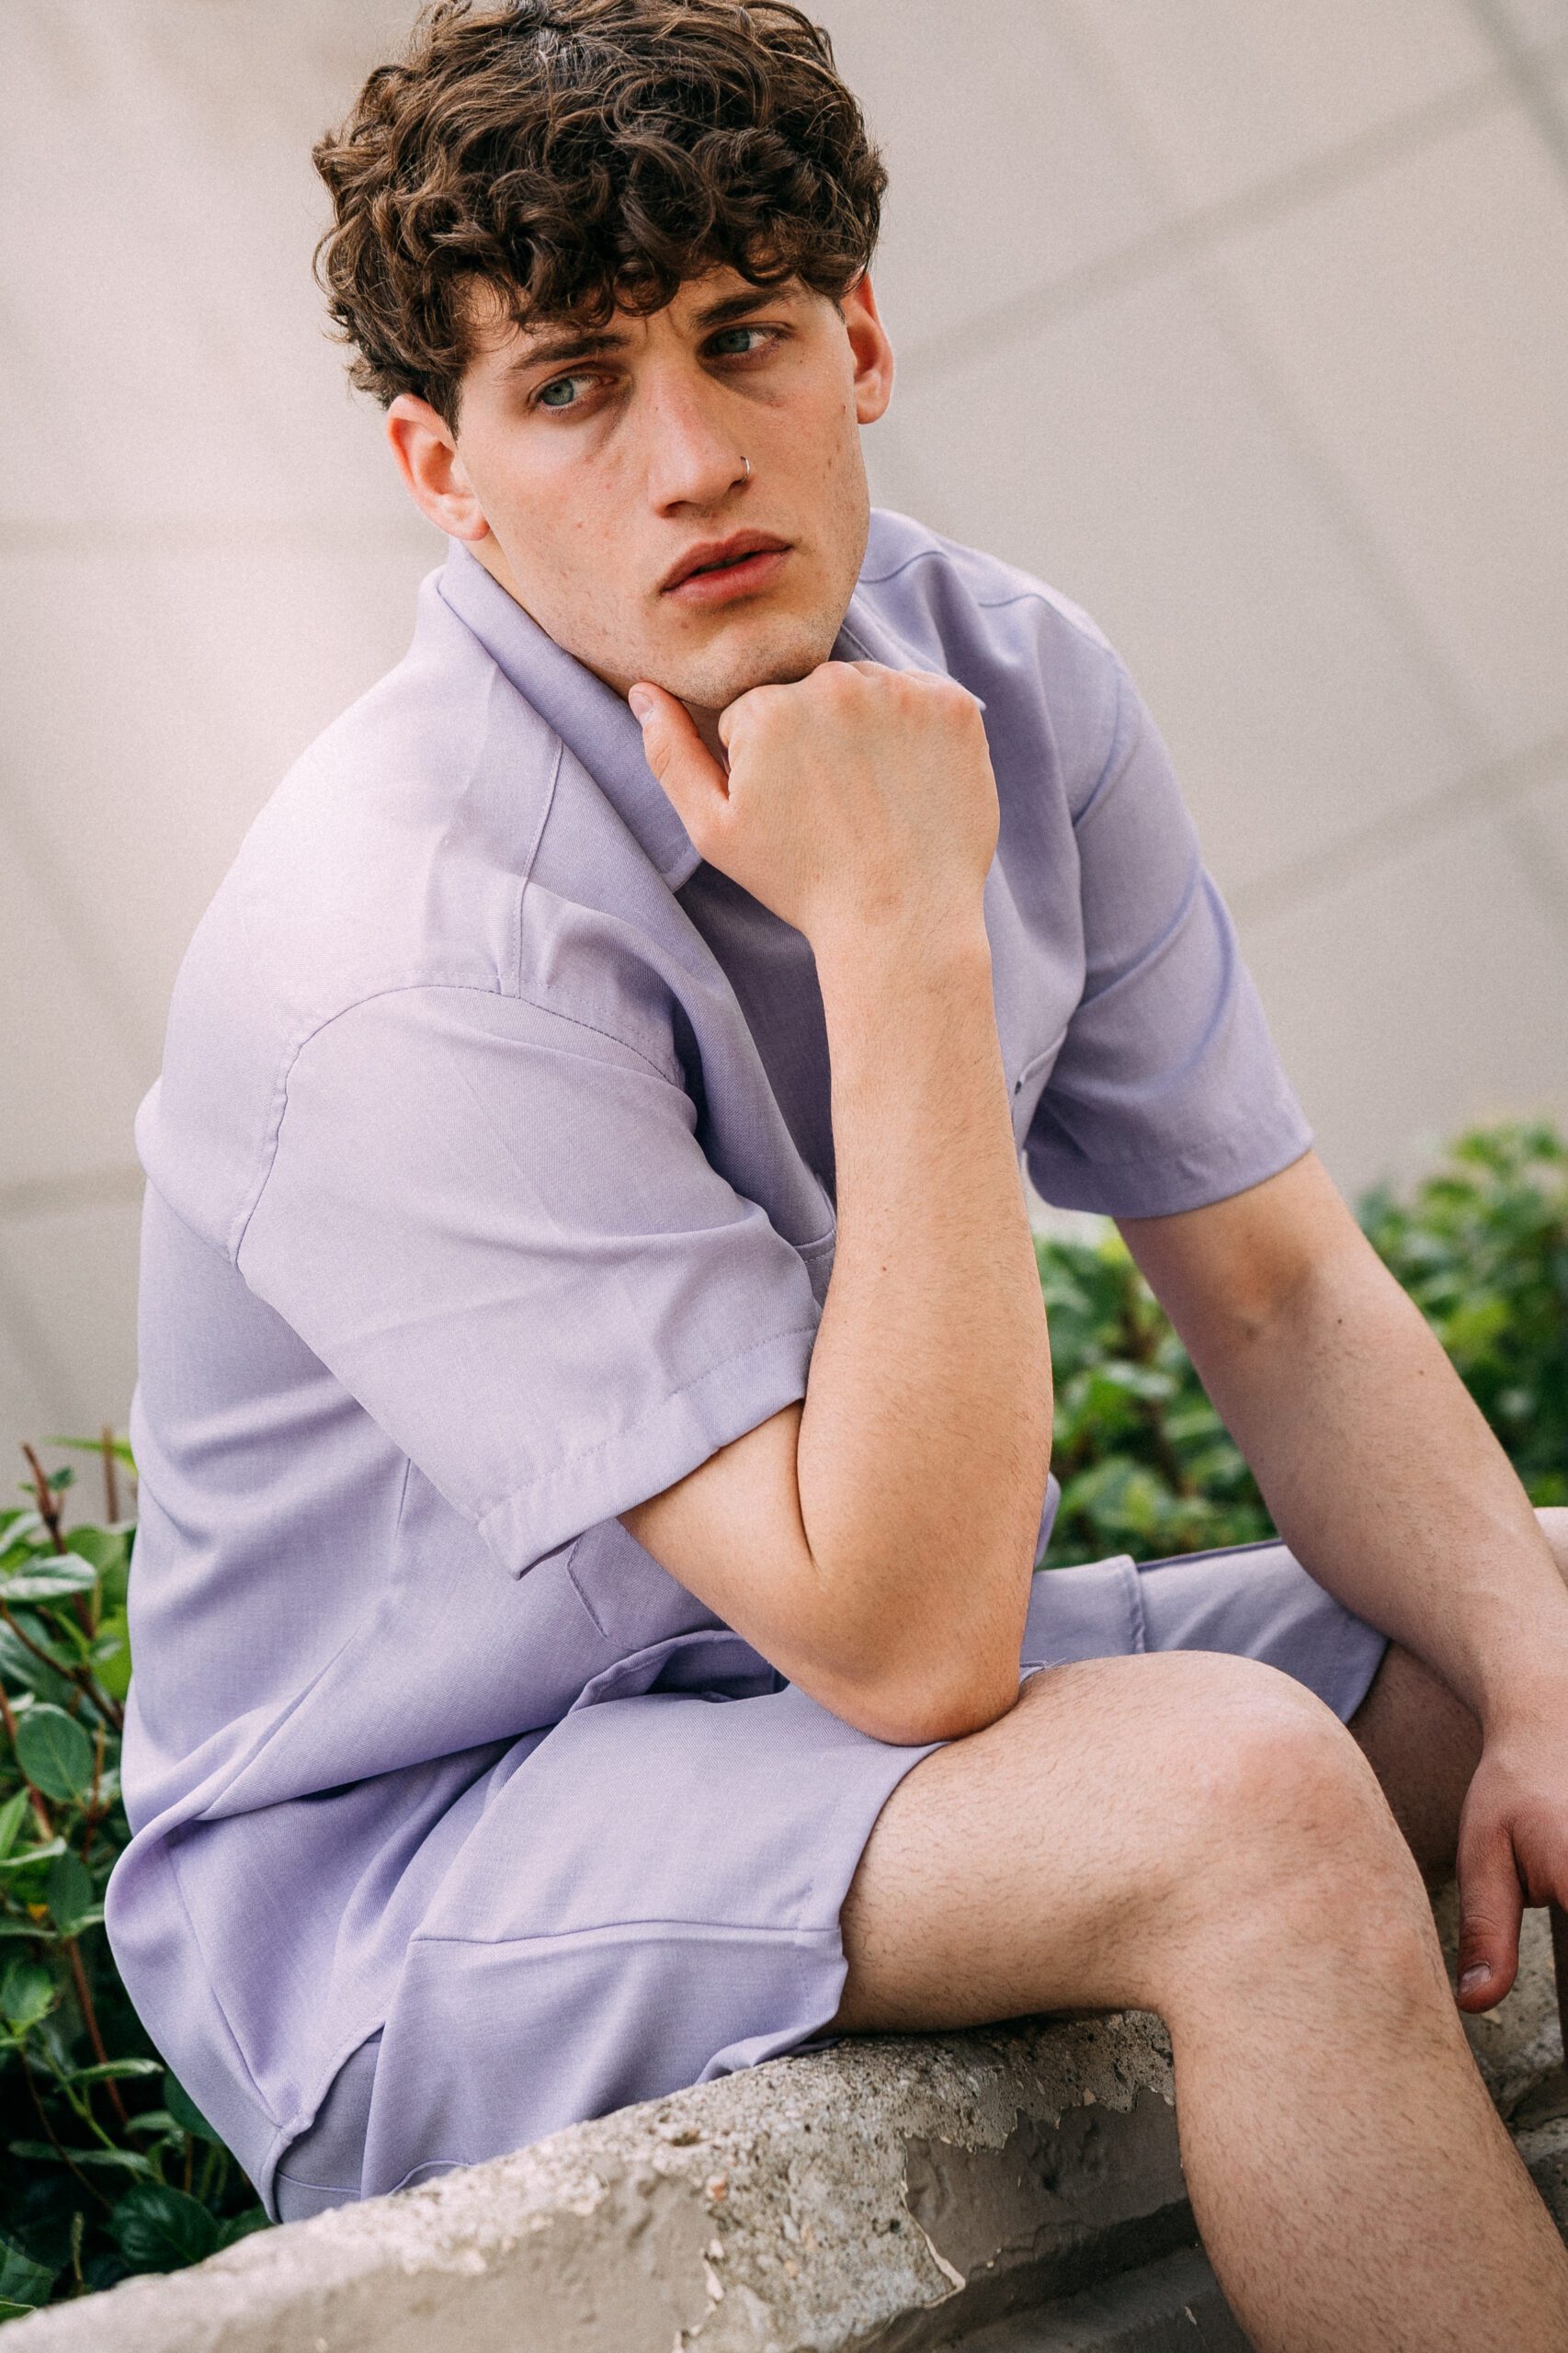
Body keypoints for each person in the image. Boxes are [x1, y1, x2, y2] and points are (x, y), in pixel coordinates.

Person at [103, 3, 1568, 2343]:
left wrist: (1530, 1658)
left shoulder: (1010, 676)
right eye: (573, 386)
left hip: (799, 1716)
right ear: (442, 468)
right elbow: (908, 1641)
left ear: (857, 339)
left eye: (742, 336)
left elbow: (1279, 1291)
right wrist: (899, 938)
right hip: (423, 1875)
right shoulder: (396, 950)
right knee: (1237, 1800)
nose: (691, 458)